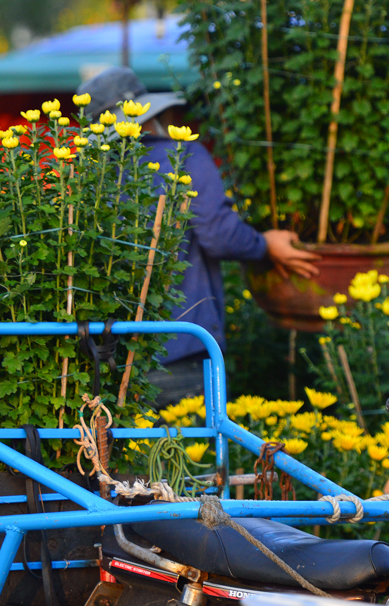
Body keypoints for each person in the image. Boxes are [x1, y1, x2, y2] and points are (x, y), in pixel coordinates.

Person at [77, 68, 322, 408]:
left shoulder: (87, 176)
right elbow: (220, 235)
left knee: (125, 459)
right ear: (152, 115)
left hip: (107, 357)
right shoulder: (184, 156)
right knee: (194, 455)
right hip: (183, 349)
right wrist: (265, 245)